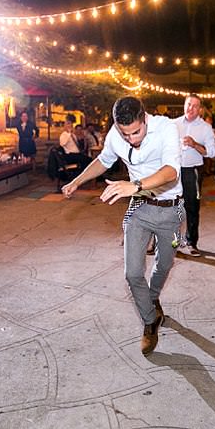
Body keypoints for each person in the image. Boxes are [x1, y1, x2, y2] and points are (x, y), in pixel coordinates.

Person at [62, 96, 182, 356]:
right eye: (125, 133)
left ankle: (153, 297)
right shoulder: (116, 135)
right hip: (138, 208)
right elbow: (104, 161)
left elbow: (172, 171)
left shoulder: (166, 127)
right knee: (132, 273)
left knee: (165, 264)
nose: (131, 139)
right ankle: (150, 320)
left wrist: (135, 185)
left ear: (145, 117)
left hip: (172, 209)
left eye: (136, 132)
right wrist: (77, 181)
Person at [173, 94, 215, 257]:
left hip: (193, 171)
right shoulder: (173, 124)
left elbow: (211, 153)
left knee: (191, 207)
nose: (191, 108)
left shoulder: (205, 128)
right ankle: (172, 242)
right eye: (189, 104)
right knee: (171, 208)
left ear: (200, 109)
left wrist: (195, 144)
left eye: (196, 106)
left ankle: (191, 243)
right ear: (184, 105)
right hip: (173, 171)